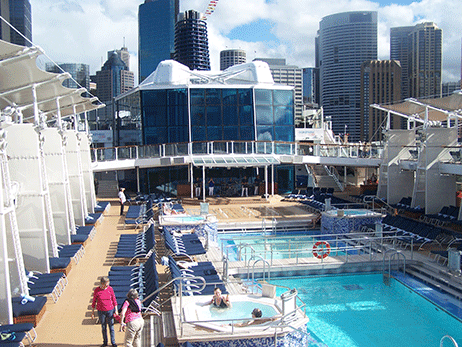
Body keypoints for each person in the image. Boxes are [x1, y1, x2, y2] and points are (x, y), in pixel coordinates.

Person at [92, 276, 118, 347]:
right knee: (103, 327)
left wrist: (116, 310)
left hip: (110, 310)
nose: (107, 286)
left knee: (111, 327)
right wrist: (92, 312)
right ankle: (105, 342)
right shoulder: (97, 290)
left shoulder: (110, 289)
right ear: (102, 284)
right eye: (106, 284)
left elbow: (114, 299)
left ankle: (113, 342)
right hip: (101, 311)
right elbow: (94, 301)